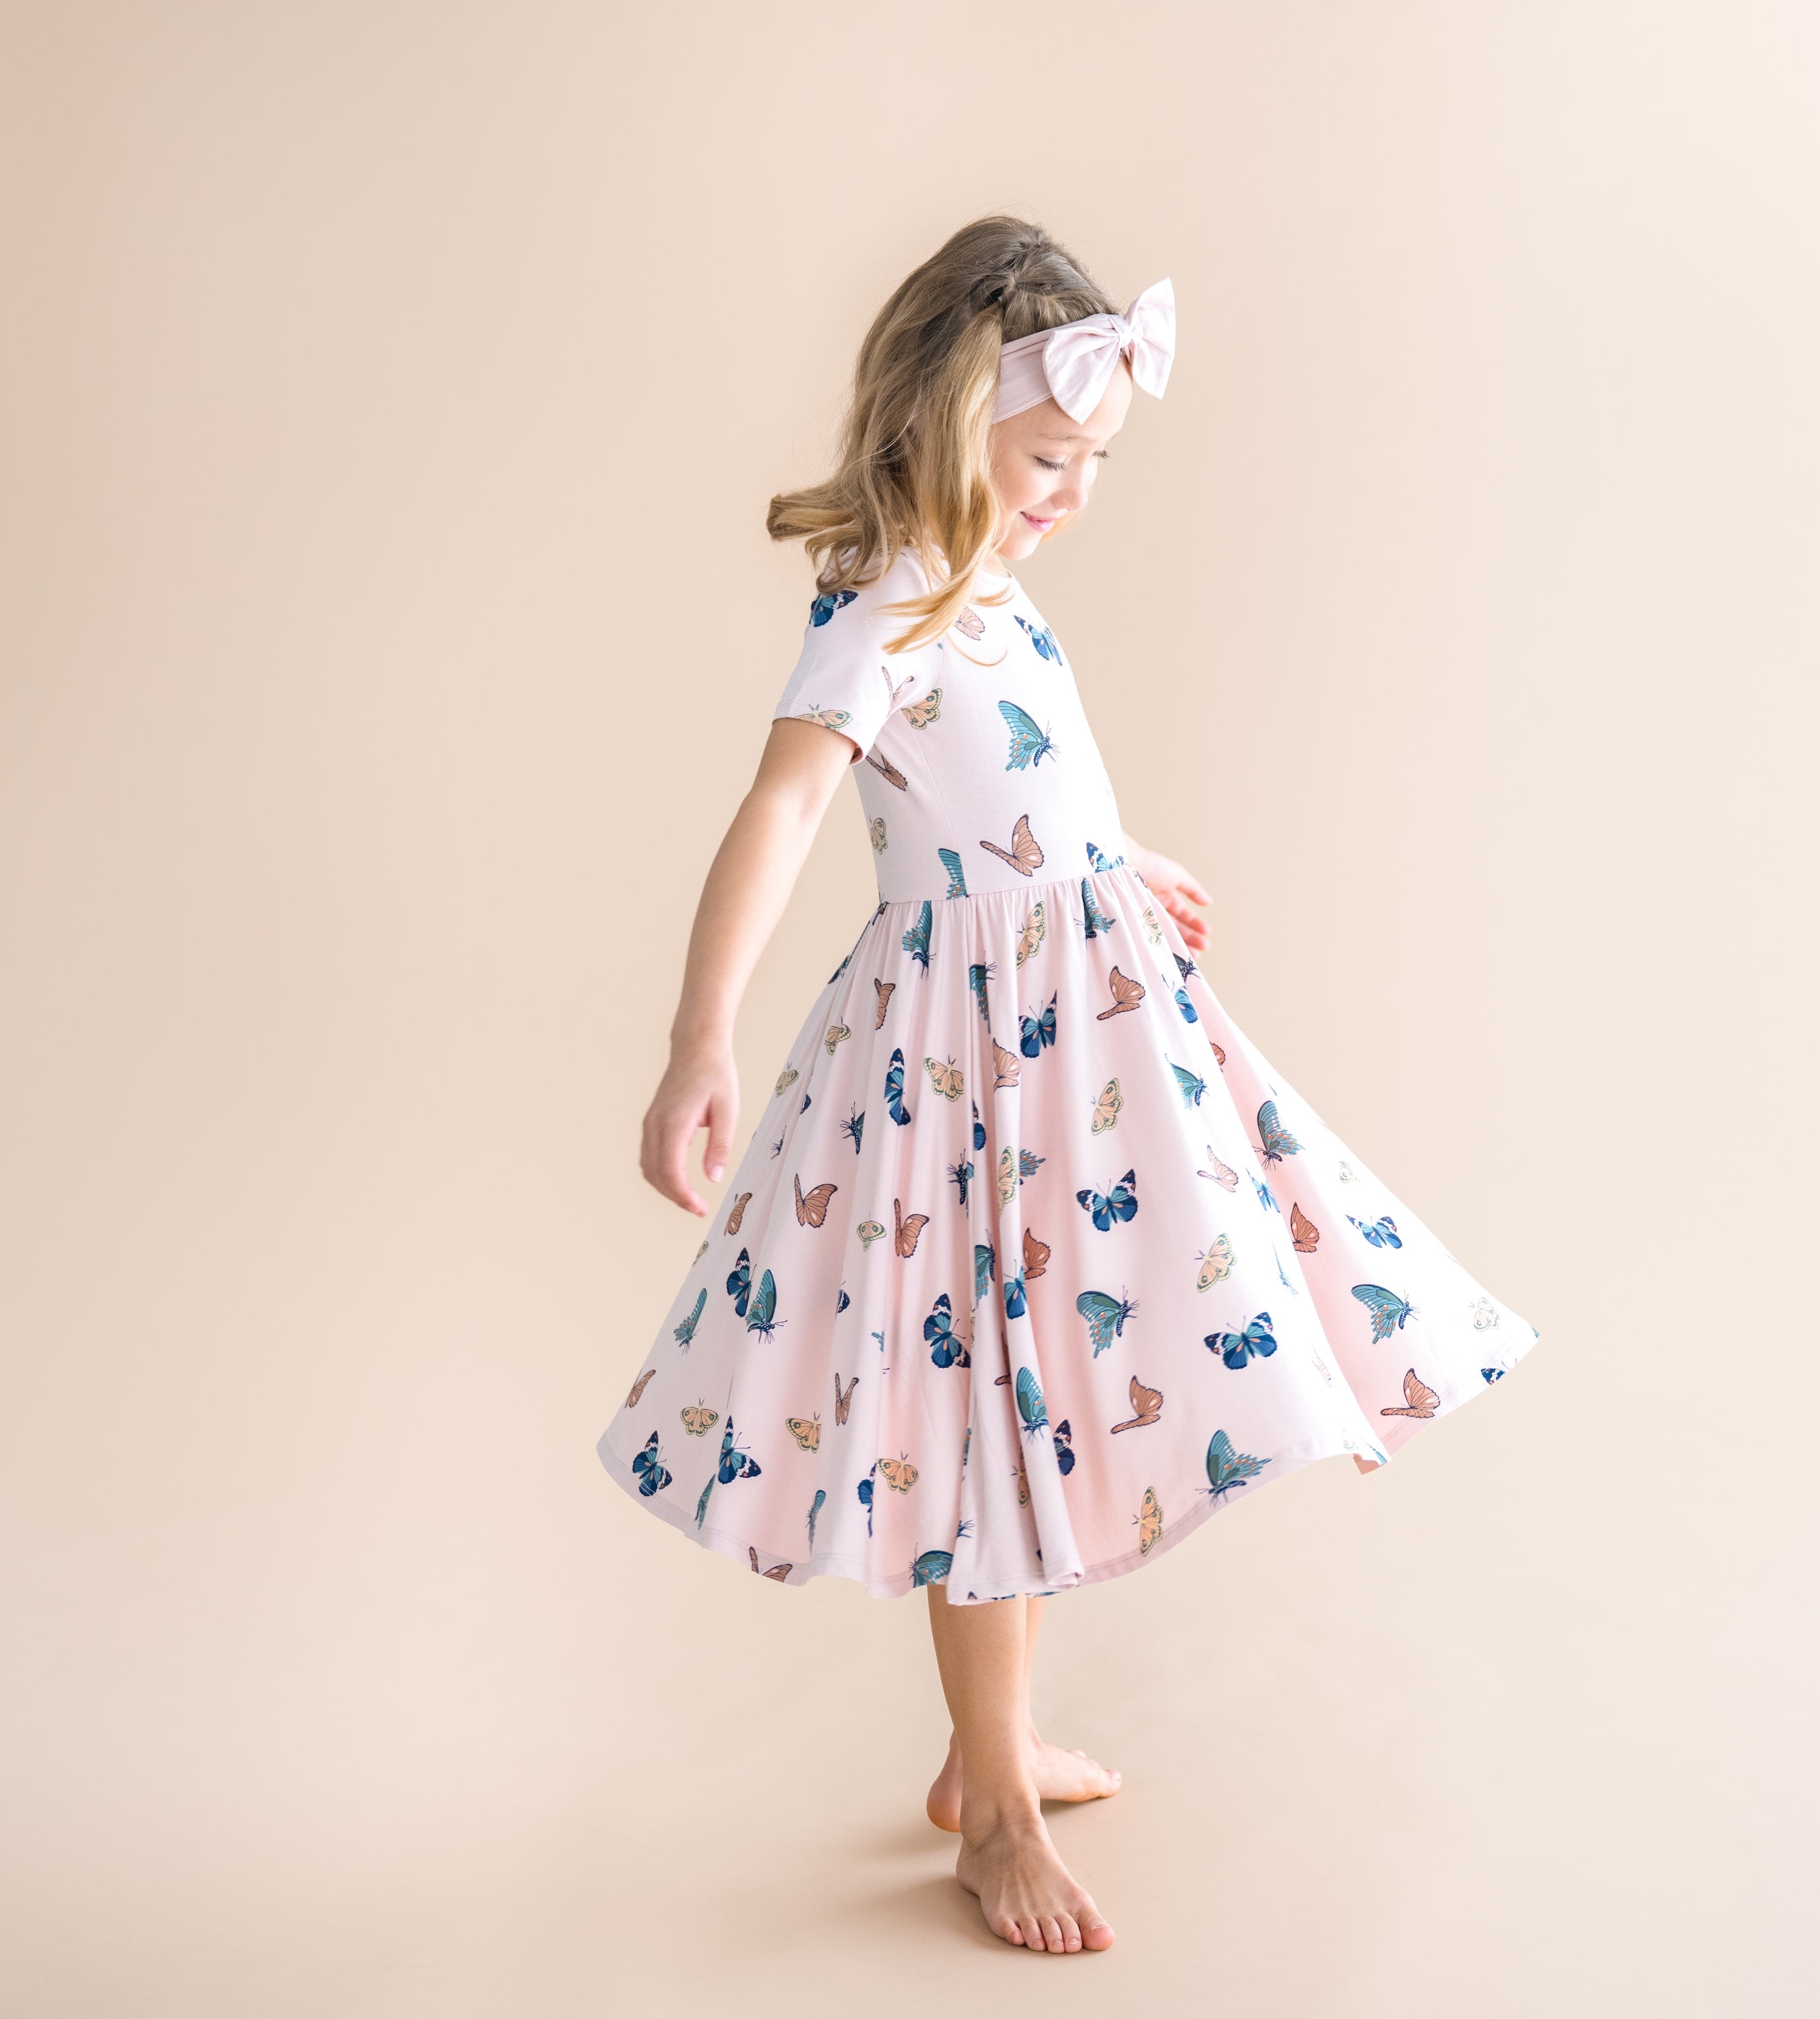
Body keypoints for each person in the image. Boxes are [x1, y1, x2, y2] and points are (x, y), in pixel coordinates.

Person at [598, 215, 1540, 1956]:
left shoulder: (992, 595)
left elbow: (999, 780)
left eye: (1093, 460)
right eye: (1049, 455)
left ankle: (991, 1751)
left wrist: (1107, 860)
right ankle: (997, 1809)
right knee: (982, 1404)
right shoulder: (883, 608)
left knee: (1055, 1378)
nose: (1074, 492)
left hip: (1077, 1030)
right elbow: (792, 810)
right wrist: (697, 1042)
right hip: (963, 1060)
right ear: (948, 422)